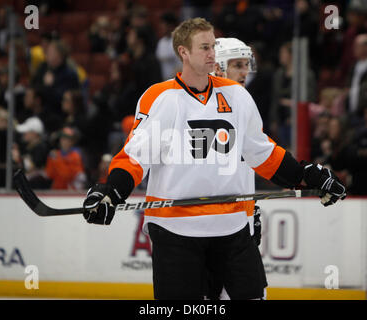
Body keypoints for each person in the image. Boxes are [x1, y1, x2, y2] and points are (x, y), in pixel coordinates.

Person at [82, 18, 346, 300]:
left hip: (231, 226)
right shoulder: (160, 97)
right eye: (204, 47)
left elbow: (263, 153)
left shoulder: (237, 95)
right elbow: (135, 157)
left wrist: (308, 176)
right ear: (183, 52)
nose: (212, 53)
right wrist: (112, 191)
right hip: (175, 229)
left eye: (213, 46)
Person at [211, 37, 265, 300]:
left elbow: (254, 162)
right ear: (218, 67)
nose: (245, 72)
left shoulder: (245, 104)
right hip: (205, 235)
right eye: (237, 65)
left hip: (239, 231)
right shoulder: (197, 110)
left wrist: (248, 210)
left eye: (246, 65)